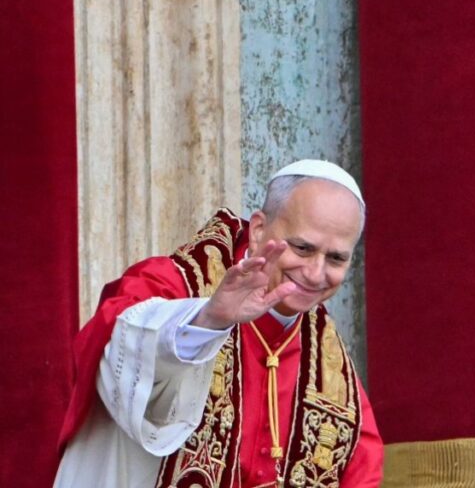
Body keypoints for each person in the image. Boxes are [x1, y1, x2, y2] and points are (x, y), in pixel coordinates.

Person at [54, 160, 383, 487]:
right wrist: (208, 321)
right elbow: (118, 357)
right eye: (302, 248)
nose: (315, 273)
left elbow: (362, 469)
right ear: (258, 230)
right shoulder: (172, 282)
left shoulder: (330, 367)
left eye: (336, 258)